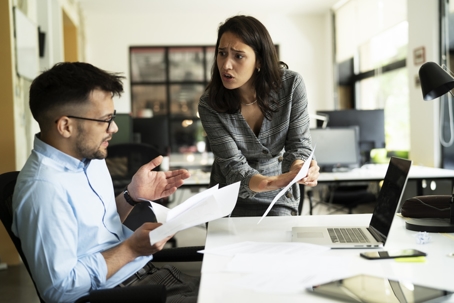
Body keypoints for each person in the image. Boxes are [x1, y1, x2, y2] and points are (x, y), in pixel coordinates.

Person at [12, 62, 199, 303]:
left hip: (145, 274)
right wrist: (131, 248)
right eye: (105, 120)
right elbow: (59, 290)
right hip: (116, 294)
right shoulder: (42, 190)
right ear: (66, 126)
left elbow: (97, 229)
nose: (114, 128)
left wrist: (132, 195)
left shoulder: (89, 158)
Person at [198, 15, 320, 217]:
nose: (226, 65)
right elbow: (233, 167)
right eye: (222, 53)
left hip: (278, 194)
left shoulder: (291, 86)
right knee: (225, 249)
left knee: (282, 244)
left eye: (238, 56)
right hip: (228, 196)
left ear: (259, 60)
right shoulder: (210, 104)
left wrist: (300, 169)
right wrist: (269, 182)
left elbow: (299, 145)